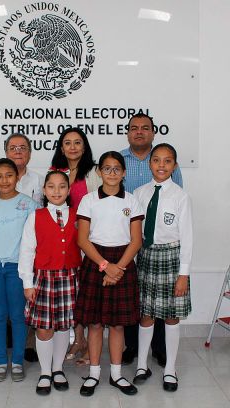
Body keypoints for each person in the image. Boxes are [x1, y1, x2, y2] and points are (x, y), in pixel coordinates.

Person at [74, 151, 143, 396]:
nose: (112, 173)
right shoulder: (89, 200)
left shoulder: (132, 201)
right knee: (94, 323)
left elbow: (136, 241)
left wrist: (118, 269)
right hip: (96, 261)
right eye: (107, 168)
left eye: (116, 169)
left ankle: (116, 375)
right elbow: (82, 240)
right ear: (99, 172)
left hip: (123, 262)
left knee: (117, 325)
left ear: (123, 173)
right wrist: (106, 266)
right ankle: (93, 374)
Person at [120, 113, 183, 367]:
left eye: (145, 128)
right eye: (134, 128)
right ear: (128, 133)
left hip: (158, 243)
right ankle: (132, 347)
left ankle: (158, 348)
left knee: (159, 299)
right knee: (134, 297)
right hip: (126, 237)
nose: (139, 132)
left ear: (153, 132)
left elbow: (176, 201)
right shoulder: (120, 160)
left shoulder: (163, 160)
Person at [133, 143, 192, 392]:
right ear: (150, 164)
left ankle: (170, 370)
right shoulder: (139, 193)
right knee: (145, 314)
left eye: (167, 161)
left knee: (170, 315)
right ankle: (142, 365)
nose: (161, 165)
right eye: (156, 160)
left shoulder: (180, 196)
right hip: (146, 257)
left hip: (171, 257)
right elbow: (134, 231)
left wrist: (183, 274)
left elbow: (187, 236)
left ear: (174, 166)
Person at [18, 171, 82, 395]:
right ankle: (45, 371)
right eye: (51, 187)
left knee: (63, 325)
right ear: (44, 190)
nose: (57, 191)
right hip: (43, 278)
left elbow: (84, 247)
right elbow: (26, 250)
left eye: (62, 186)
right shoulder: (36, 216)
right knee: (45, 329)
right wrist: (27, 282)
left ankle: (57, 369)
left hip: (69, 277)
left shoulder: (77, 216)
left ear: (68, 190)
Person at [0, 158, 38, 382]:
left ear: (17, 177)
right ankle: (2, 361)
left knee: (18, 315)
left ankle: (18, 361)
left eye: (9, 175)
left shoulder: (29, 204)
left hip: (17, 268)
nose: (4, 180)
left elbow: (34, 241)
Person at [0, 133, 43, 364]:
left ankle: (26, 347)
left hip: (23, 256)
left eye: (23, 148)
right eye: (13, 147)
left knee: (21, 307)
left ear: (29, 152)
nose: (18, 151)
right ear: (6, 151)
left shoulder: (38, 180)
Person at [50, 127, 101, 365]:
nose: (72, 147)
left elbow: (102, 206)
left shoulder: (94, 172)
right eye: (67, 143)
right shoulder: (55, 171)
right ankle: (77, 338)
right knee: (73, 292)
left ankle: (89, 344)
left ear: (84, 146)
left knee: (88, 293)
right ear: (61, 148)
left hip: (88, 239)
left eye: (77, 142)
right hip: (62, 240)